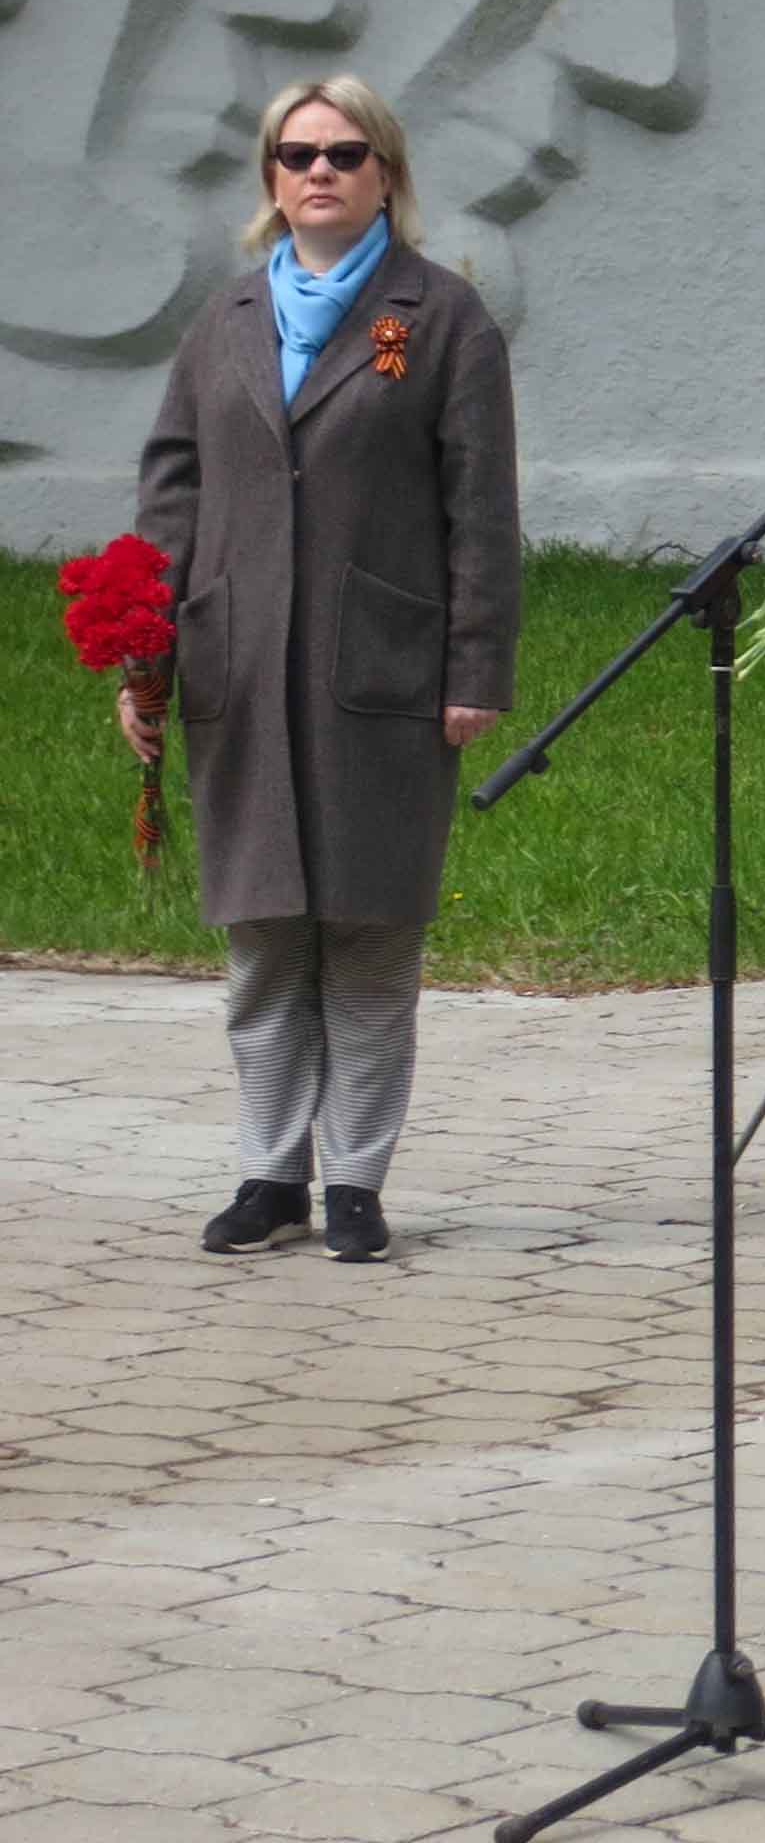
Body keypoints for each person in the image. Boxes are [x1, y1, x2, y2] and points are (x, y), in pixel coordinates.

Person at [131, 74, 521, 1268]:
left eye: (346, 154)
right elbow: (173, 490)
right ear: (269, 179)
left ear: (386, 173)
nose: (319, 173)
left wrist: (474, 668)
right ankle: (268, 1172)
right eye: (296, 155)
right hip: (239, 668)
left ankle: (354, 1178)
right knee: (262, 938)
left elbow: (479, 510)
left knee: (365, 932)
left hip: (382, 671)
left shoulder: (431, 318)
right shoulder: (229, 317)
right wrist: (146, 654)